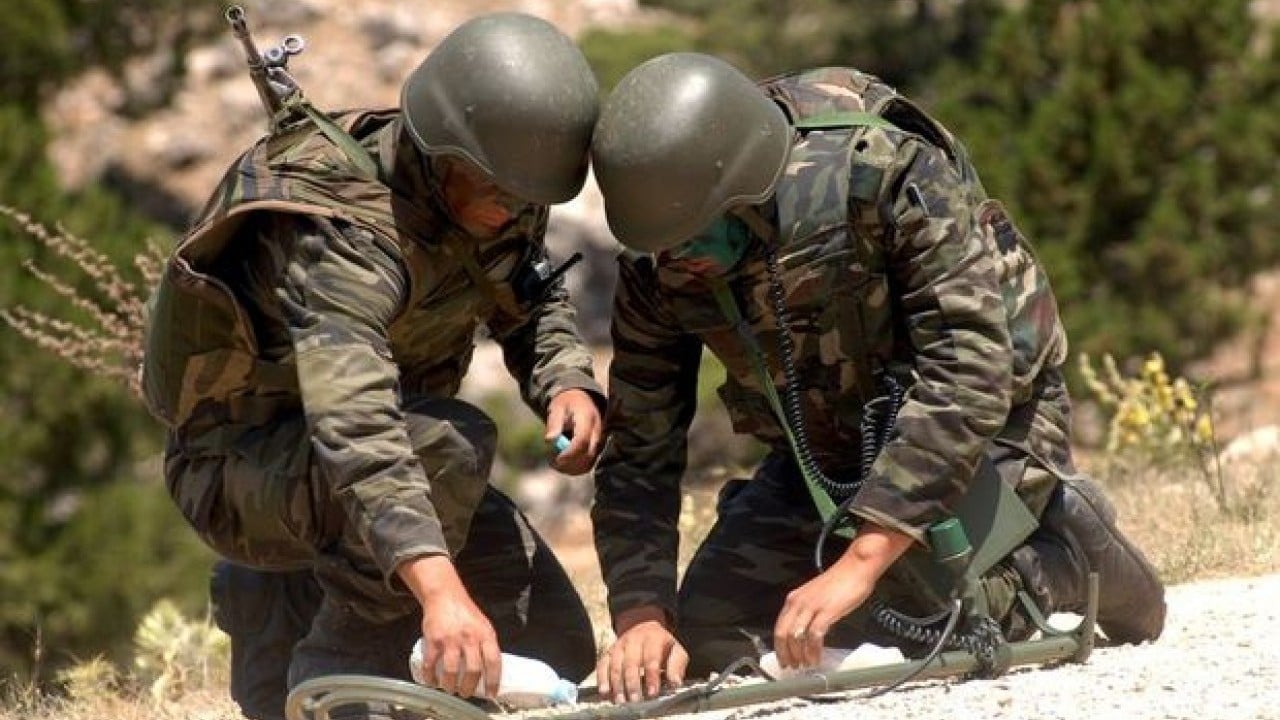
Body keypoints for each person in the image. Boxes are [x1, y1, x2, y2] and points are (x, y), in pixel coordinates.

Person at [587, 52, 1167, 703]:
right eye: (660, 245)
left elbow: (968, 369)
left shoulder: (880, 171)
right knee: (711, 631)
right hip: (826, 452)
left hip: (991, 423)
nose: (674, 262)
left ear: (745, 197)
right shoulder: (659, 252)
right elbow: (639, 448)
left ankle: (1070, 558)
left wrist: (861, 563)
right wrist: (642, 617)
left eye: (691, 240)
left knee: (932, 620)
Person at [140, 13, 605, 720]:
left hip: (385, 464)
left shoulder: (496, 186)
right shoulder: (343, 233)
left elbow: (528, 291)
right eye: (499, 192)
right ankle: (337, 662)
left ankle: (299, 595)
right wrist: (440, 594)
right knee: (453, 443)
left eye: (527, 198)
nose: (513, 212)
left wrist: (564, 378)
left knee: (554, 645)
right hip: (242, 470)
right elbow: (356, 428)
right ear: (441, 152)